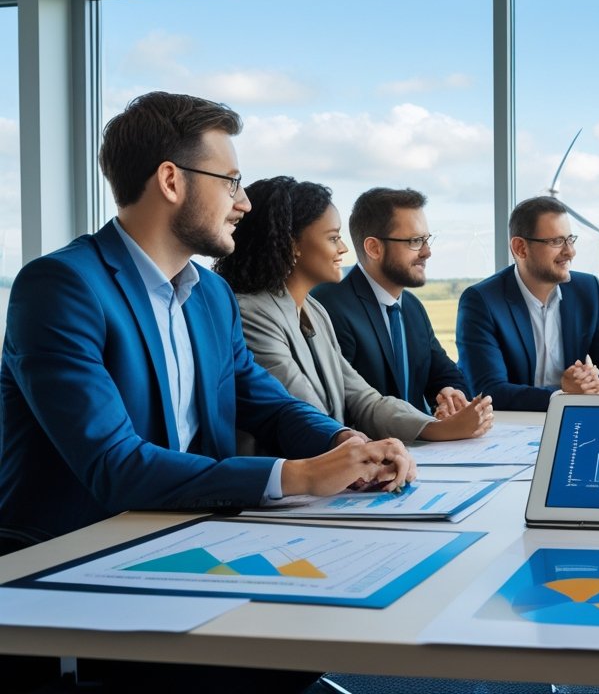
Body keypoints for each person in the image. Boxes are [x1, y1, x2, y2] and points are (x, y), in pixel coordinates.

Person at [0, 92, 414, 692]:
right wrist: (295, 477)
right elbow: (114, 466)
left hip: (196, 537)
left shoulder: (211, 295)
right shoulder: (62, 287)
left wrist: (349, 441)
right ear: (171, 180)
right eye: (231, 181)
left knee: (318, 639)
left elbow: (263, 400)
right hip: (82, 565)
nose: (244, 202)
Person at [214, 177, 493, 444]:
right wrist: (364, 450)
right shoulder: (251, 313)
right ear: (293, 246)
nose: (344, 248)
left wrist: (437, 428)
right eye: (334, 238)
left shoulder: (315, 312)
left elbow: (364, 399)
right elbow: (301, 410)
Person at [456, 196, 599, 411]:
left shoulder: (587, 290)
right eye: (556, 242)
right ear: (520, 248)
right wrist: (565, 395)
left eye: (570, 239)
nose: (570, 252)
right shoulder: (482, 301)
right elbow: (489, 390)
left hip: (572, 422)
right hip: (509, 429)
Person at [311, 187, 471, 416]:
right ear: (374, 248)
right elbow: (338, 408)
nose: (427, 252)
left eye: (426, 239)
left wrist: (449, 395)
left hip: (423, 446)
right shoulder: (330, 307)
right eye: (415, 241)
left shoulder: (413, 307)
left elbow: (446, 374)